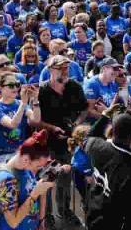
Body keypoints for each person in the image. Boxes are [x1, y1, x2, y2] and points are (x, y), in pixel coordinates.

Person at [36, 55, 88, 227]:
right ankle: (47, 215)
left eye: (66, 67)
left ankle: (64, 211)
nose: (65, 71)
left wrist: (77, 125)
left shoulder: (74, 86)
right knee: (48, 179)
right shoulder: (42, 90)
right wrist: (52, 128)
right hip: (48, 142)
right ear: (51, 70)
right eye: (60, 68)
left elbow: (83, 110)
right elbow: (35, 120)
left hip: (69, 141)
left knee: (65, 178)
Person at [0, 130, 56, 230]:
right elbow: (13, 222)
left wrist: (40, 220)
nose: (39, 169)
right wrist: (35, 193)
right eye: (38, 166)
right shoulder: (6, 180)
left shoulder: (25, 169)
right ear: (26, 159)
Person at [0, 73, 41, 164]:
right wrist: (23, 104)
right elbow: (12, 124)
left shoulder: (19, 103)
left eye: (17, 85)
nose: (15, 88)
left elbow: (36, 120)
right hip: (3, 154)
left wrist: (36, 100)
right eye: (11, 85)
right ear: (0, 88)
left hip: (20, 152)